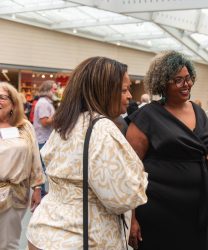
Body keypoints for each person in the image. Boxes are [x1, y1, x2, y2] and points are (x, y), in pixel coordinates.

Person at [27, 57, 148, 249]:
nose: (129, 96)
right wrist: (141, 177)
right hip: (84, 237)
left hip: (43, 232)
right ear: (104, 91)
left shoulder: (66, 124)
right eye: (123, 90)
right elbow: (123, 197)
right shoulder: (101, 128)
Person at [126, 51, 208, 250]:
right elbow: (130, 170)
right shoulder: (147, 116)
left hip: (196, 207)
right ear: (162, 83)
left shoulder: (198, 111)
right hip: (159, 209)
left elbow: (202, 152)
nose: (186, 84)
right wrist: (131, 218)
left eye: (188, 78)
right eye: (178, 80)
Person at [0, 82, 45, 249]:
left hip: (15, 194)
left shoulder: (24, 127)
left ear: (13, 103)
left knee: (8, 241)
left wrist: (38, 188)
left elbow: (35, 157)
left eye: (2, 98)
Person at [33, 80, 57, 196]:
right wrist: (59, 116)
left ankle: (42, 191)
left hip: (45, 138)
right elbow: (44, 122)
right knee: (42, 167)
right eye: (54, 89)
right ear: (48, 90)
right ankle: (41, 192)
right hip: (43, 139)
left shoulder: (46, 102)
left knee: (43, 165)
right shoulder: (43, 103)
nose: (55, 91)